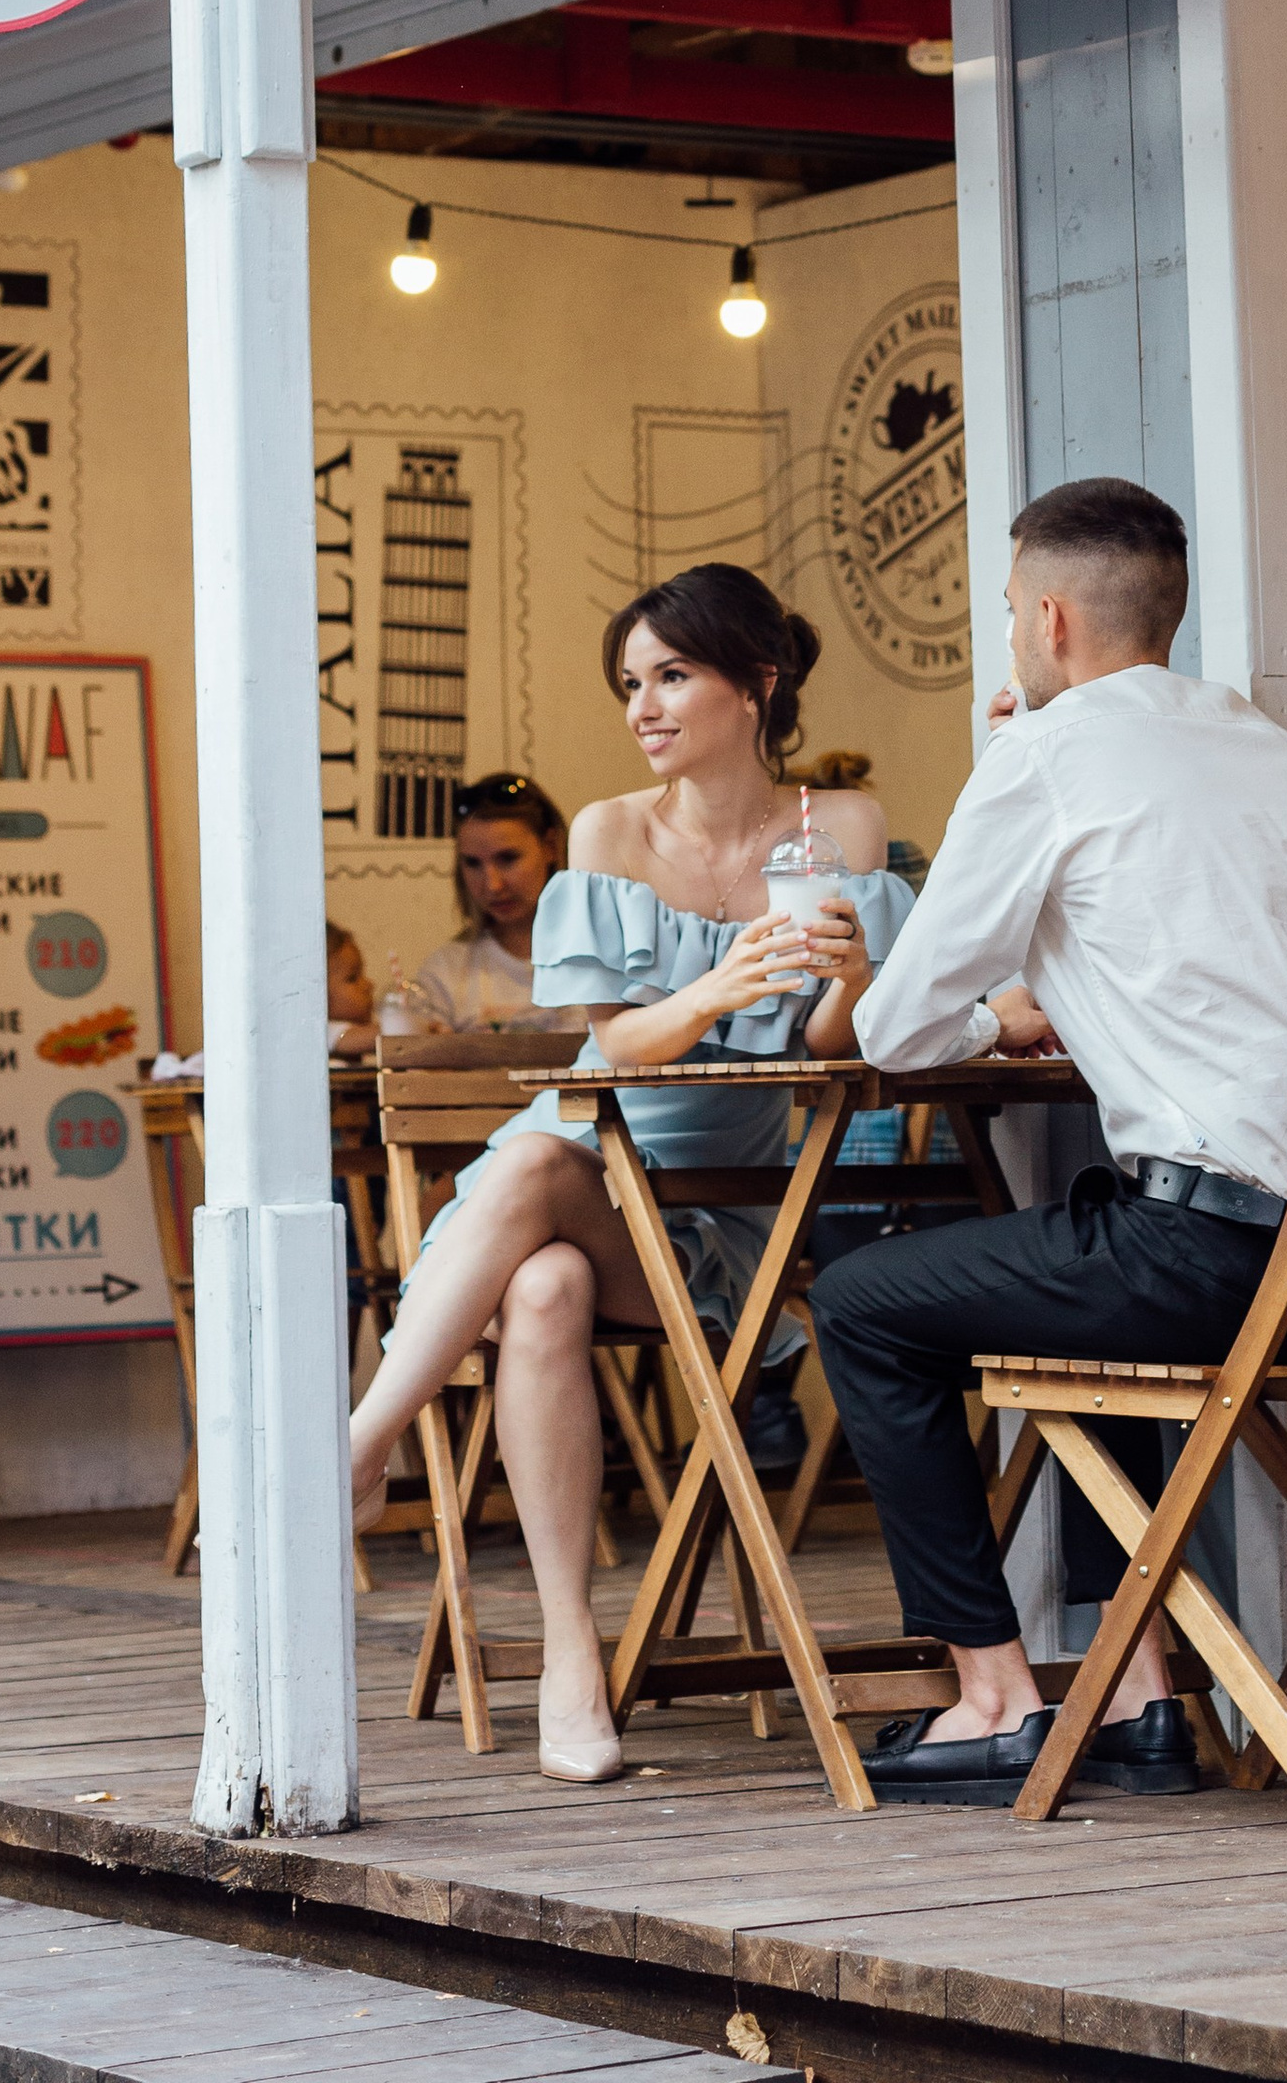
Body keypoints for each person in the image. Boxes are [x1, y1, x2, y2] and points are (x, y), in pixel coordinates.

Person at [809, 474, 1287, 1807]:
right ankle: (1139, 1688)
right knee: (1085, 1243)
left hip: (1223, 1264)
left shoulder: (1043, 757)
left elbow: (897, 1032)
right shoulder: (1262, 744)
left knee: (858, 1300)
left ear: (1048, 619)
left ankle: (992, 1696)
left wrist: (993, 1013)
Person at [344, 563, 914, 1785]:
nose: (643, 707)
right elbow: (610, 1046)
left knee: (541, 1254)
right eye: (629, 684)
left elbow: (832, 1048)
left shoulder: (841, 829)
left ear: (756, 684)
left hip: (726, 1224)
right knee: (544, 1220)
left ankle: (360, 1447)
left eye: (671, 676)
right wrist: (720, 982)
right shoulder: (608, 831)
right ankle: (566, 1655)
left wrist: (855, 975)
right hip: (593, 1172)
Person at [385, 776, 569, 1030]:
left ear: (550, 847)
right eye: (472, 863)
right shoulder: (446, 971)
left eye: (507, 858)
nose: (493, 884)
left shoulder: (604, 954)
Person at [324, 921, 377, 1059]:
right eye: (352, 978)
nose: (368, 985)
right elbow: (354, 1038)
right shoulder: (324, 1032)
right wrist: (410, 1029)